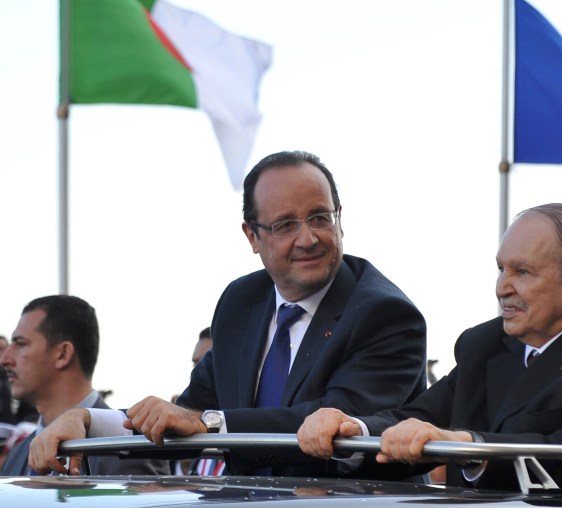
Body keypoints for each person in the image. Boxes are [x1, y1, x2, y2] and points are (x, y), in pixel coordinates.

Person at [30, 150, 427, 478]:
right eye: (285, 225)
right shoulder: (243, 301)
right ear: (252, 236)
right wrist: (86, 420)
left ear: (340, 217)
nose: (308, 239)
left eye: (320, 217)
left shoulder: (384, 313)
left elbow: (326, 424)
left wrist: (209, 423)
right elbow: (185, 414)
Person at [298, 203, 562, 493]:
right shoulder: (484, 344)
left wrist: (468, 446)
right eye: (501, 269)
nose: (502, 287)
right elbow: (417, 417)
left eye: (522, 271)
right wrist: (354, 428)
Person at [0, 295, 168, 476]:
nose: (4, 360)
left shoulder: (135, 449)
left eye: (21, 344)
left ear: (63, 354)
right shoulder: (17, 454)